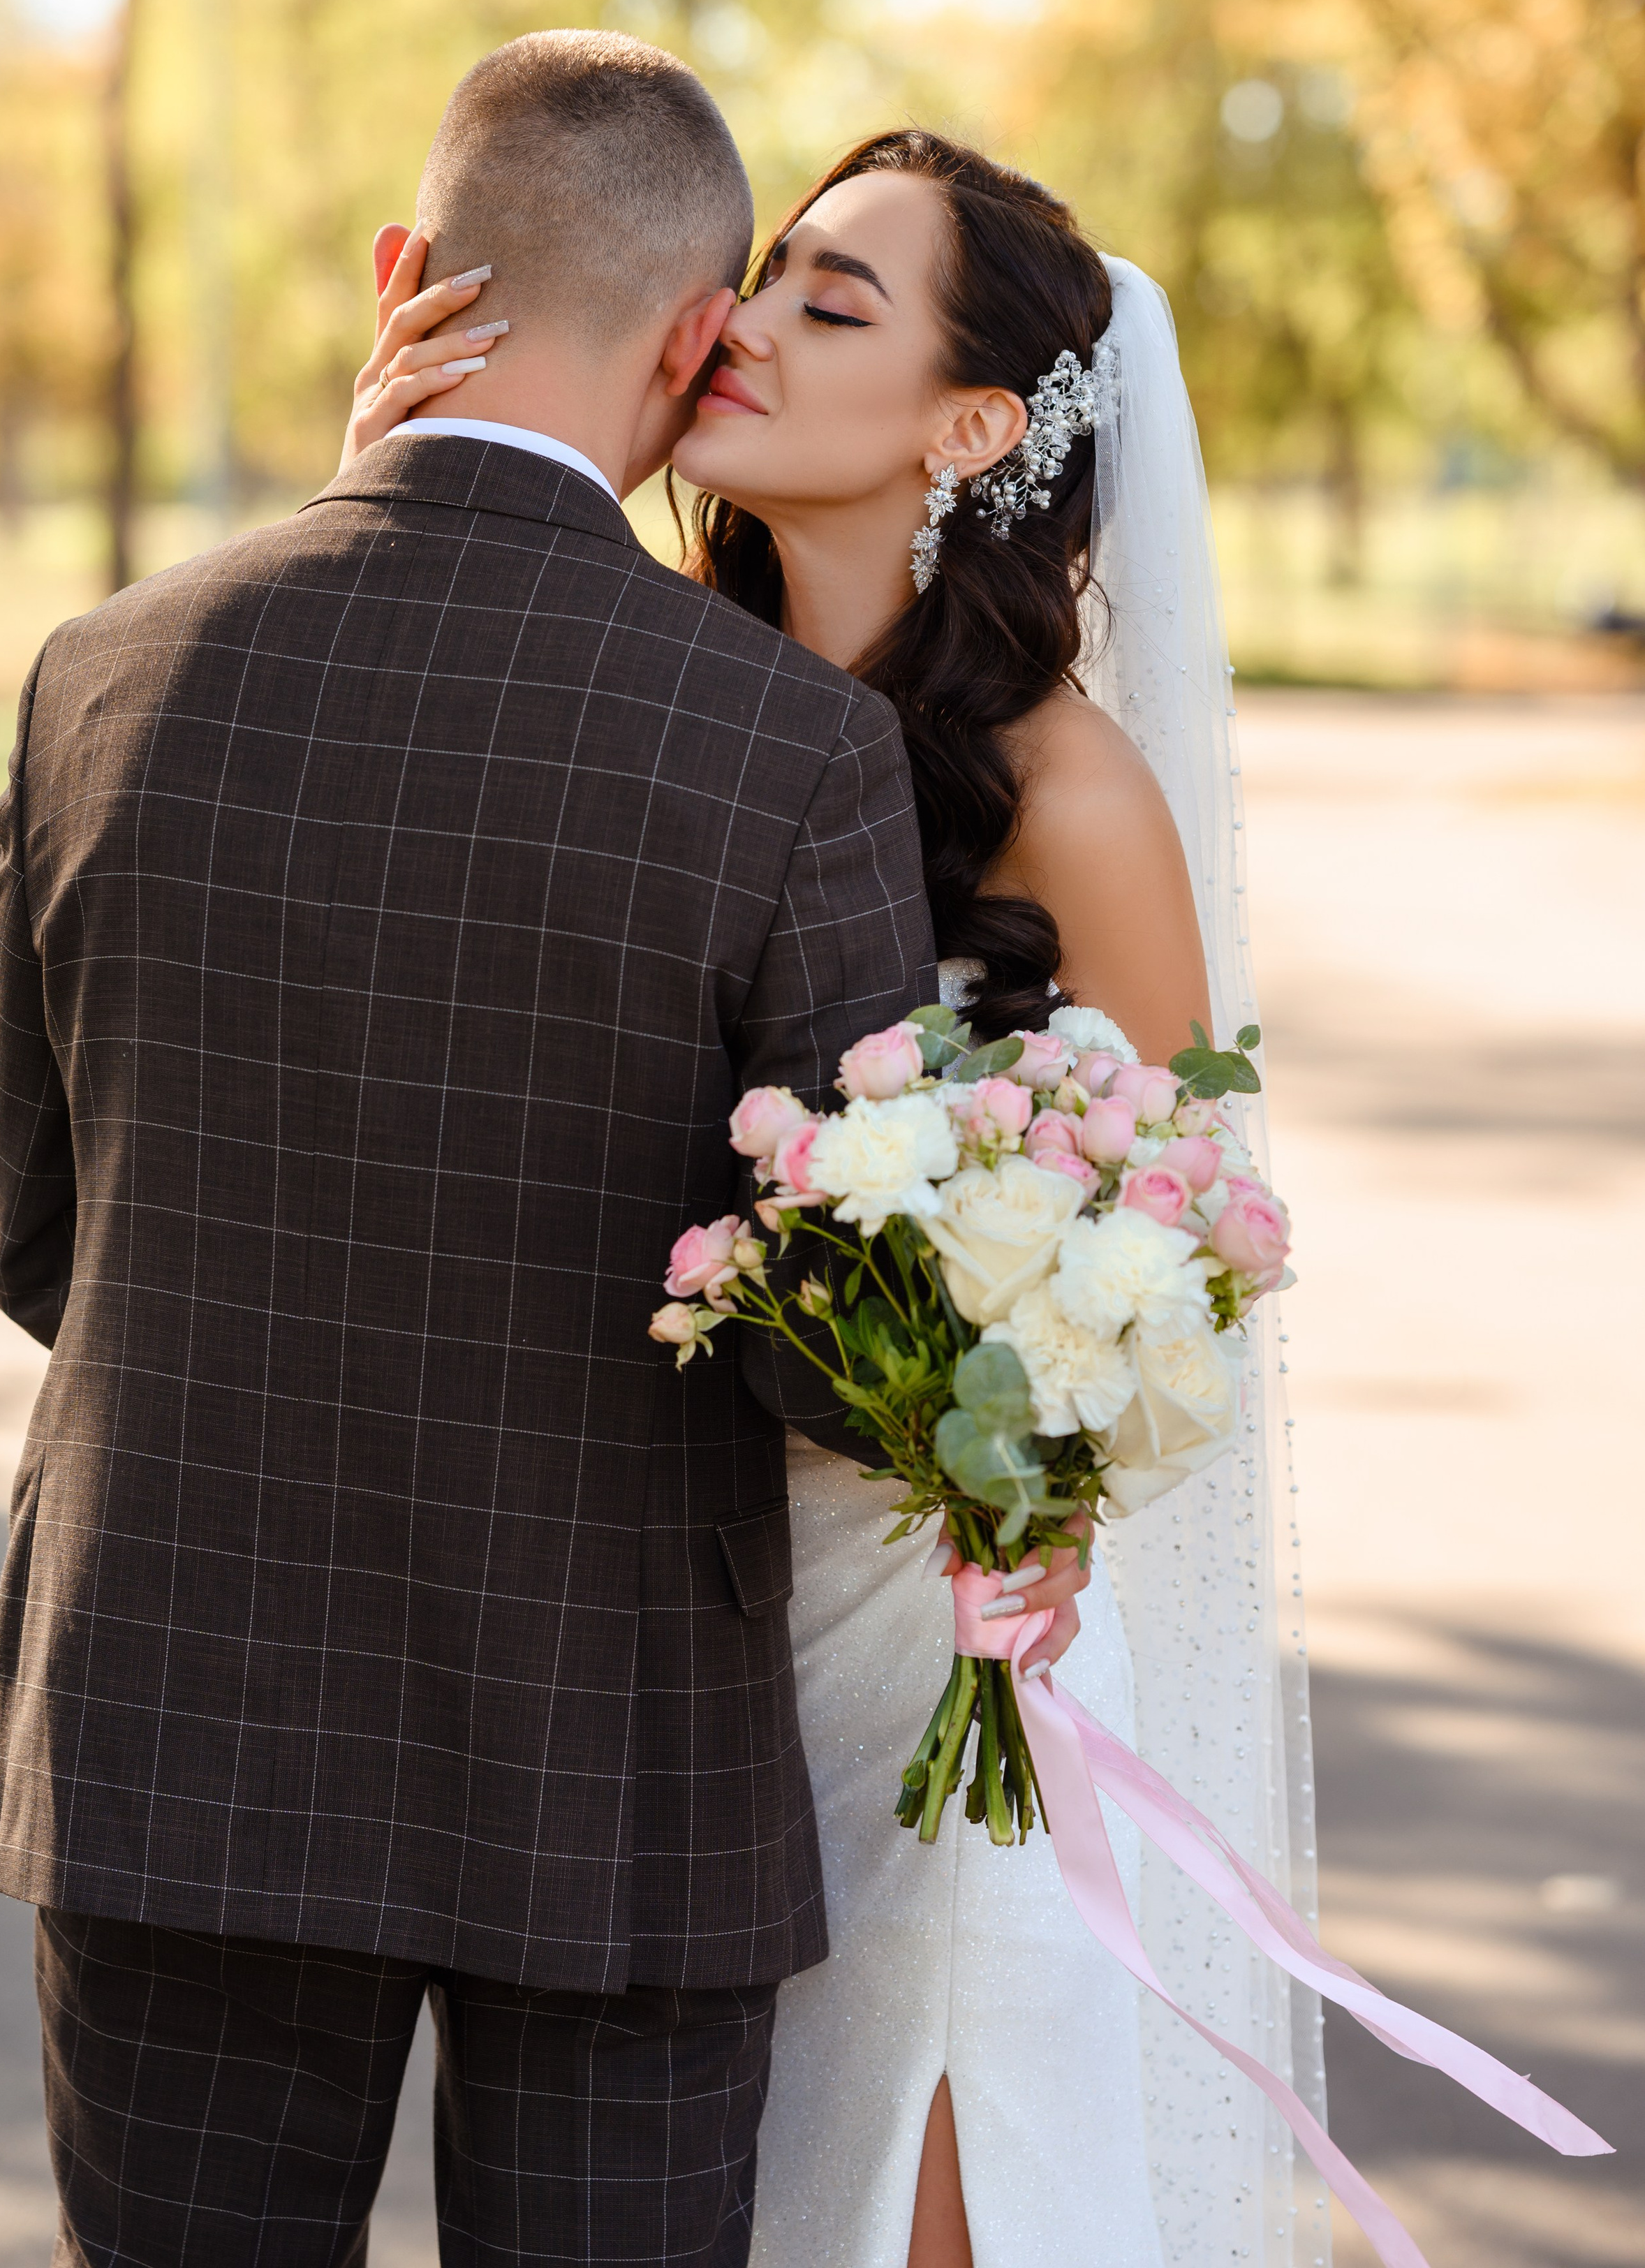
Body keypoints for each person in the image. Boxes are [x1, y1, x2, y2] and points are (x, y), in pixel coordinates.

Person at [0, 36, 1064, 2268]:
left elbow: (36, 1230)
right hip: (616, 1765)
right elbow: (826, 1337)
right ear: (692, 343)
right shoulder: (788, 751)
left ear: (403, 277)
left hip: (181, 1715)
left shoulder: (104, 674)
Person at [347, 128, 1325, 2268]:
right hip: (651, 1659)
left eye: (833, 300)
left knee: (926, 2192)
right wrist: (401, 493)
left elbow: (1185, 1241)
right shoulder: (643, 689)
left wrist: (1044, 1484)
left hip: (933, 1655)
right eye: (769, 272)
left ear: (974, 425)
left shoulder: (1066, 795)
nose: (750, 318)